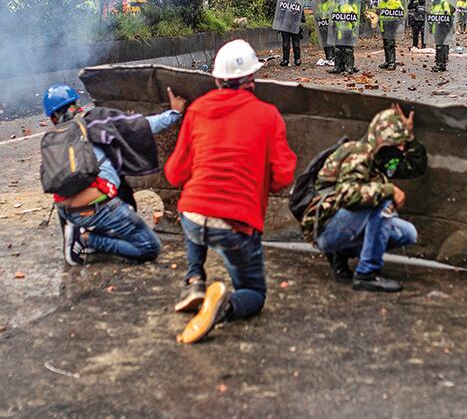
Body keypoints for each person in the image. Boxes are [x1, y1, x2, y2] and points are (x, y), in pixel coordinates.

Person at [165, 39, 297, 344]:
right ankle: (223, 305)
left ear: (216, 79)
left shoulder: (197, 110)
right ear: (253, 78)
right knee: (254, 293)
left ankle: (195, 280)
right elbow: (283, 176)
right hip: (235, 226)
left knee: (195, 209)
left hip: (192, 219)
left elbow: (175, 174)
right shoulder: (268, 116)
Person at [43, 83, 185, 266]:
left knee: (123, 204)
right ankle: (85, 239)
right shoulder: (95, 120)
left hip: (67, 211)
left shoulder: (53, 138)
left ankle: (79, 234)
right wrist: (174, 113)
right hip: (100, 206)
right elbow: (142, 126)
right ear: (76, 104)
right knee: (149, 247)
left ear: (52, 118)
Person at [300, 106, 427, 292]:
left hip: (343, 224)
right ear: (381, 140)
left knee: (407, 233)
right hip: (325, 228)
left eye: (402, 143)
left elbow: (414, 167)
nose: (401, 148)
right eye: (396, 142)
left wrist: (409, 136)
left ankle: (342, 252)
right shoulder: (357, 153)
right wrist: (389, 190)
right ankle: (366, 273)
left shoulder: (379, 158)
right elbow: (347, 195)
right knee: (384, 201)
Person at [375, 0, 405, 70]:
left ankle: (392, 62)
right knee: (385, 44)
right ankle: (387, 61)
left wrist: (397, 22)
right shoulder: (381, 3)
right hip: (383, 25)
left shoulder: (395, 1)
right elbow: (379, 13)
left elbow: (401, 13)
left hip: (391, 25)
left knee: (390, 44)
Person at [328, 0, 360, 74]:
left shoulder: (348, 8)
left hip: (347, 32)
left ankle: (349, 67)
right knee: (338, 50)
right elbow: (334, 20)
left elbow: (354, 21)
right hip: (338, 32)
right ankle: (338, 66)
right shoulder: (336, 9)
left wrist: (353, 31)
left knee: (348, 50)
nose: (339, 1)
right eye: (338, 0)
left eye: (341, 0)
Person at [430, 0, 455, 72]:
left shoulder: (444, 3)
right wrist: (430, 27)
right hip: (435, 29)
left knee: (440, 46)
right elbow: (431, 18)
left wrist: (443, 19)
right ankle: (441, 64)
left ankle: (439, 64)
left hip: (442, 28)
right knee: (439, 46)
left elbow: (447, 13)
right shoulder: (434, 6)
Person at [315, 0, 337, 65]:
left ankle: (332, 56)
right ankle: (328, 56)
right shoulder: (320, 5)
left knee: (330, 41)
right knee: (325, 42)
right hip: (323, 25)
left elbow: (334, 14)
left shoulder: (332, 4)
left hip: (330, 25)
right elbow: (317, 14)